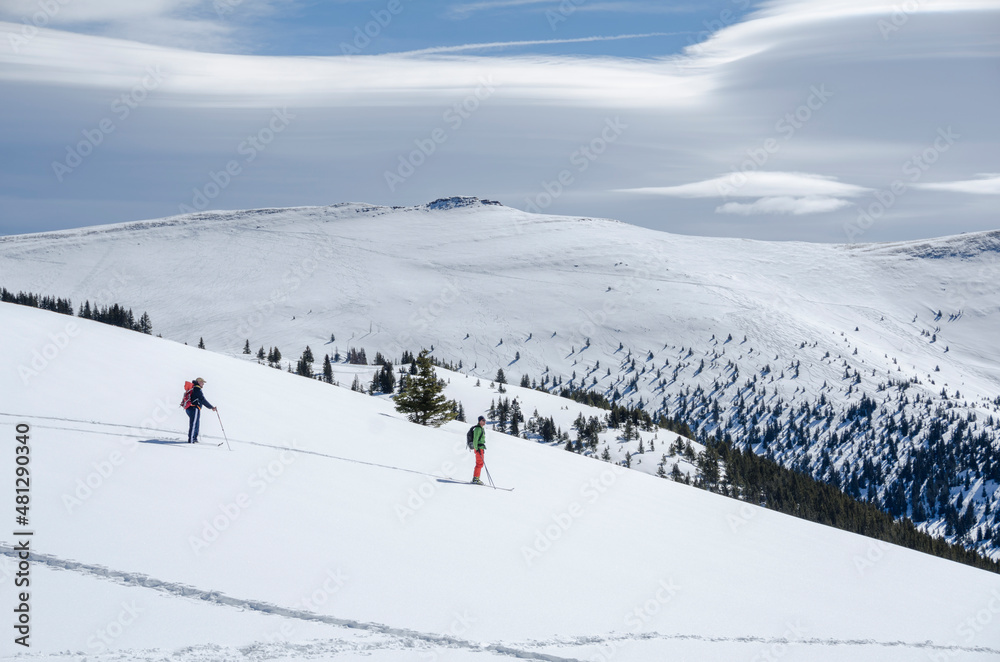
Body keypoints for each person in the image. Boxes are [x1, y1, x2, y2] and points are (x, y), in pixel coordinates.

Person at [185, 377, 216, 443]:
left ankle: (194, 438)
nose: (203, 384)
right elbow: (203, 400)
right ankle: (191, 440)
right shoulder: (197, 389)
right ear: (199, 382)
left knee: (196, 424)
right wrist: (211, 407)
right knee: (193, 424)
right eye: (202, 382)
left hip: (191, 408)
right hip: (194, 408)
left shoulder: (194, 388)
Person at [471, 415, 487, 485]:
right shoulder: (478, 429)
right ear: (479, 421)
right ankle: (475, 479)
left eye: (484, 420)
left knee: (480, 463)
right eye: (482, 420)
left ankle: (476, 478)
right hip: (478, 448)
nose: (484, 422)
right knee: (479, 463)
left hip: (481, 448)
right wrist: (476, 449)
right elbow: (475, 440)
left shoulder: (481, 428)